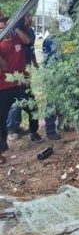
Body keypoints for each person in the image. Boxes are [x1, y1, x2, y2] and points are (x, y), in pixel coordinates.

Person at [0, 17, 37, 164]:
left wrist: (14, 27)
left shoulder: (17, 38)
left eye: (5, 27)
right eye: (1, 29)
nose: (4, 31)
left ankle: (34, 132)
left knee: (32, 107)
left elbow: (28, 41)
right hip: (3, 86)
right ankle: (2, 147)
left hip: (21, 82)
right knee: (0, 119)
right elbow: (3, 66)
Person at [6, 14, 41, 142]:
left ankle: (33, 131)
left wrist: (35, 64)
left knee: (31, 104)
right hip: (12, 76)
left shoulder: (28, 32)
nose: (30, 18)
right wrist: (15, 28)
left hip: (24, 73)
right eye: (27, 17)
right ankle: (11, 129)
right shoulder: (10, 33)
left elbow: (29, 45)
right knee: (15, 104)